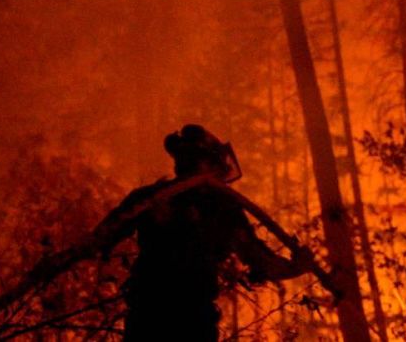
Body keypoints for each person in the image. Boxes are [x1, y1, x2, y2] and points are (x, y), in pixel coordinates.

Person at [86, 124, 316, 342]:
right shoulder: (205, 205)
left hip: (164, 314)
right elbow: (102, 238)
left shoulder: (207, 205)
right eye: (216, 168)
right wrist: (296, 267)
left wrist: (296, 267)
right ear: (204, 163)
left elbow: (101, 238)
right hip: (170, 315)